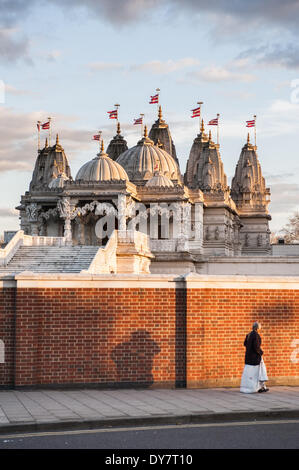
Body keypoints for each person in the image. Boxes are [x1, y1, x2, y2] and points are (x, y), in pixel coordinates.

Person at [240, 321, 269, 393]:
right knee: (259, 373)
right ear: (257, 328)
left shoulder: (249, 334)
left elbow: (245, 344)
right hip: (255, 358)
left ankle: (261, 387)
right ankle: (260, 387)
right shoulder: (256, 335)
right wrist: (261, 352)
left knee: (250, 374)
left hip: (248, 358)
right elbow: (256, 347)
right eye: (260, 328)